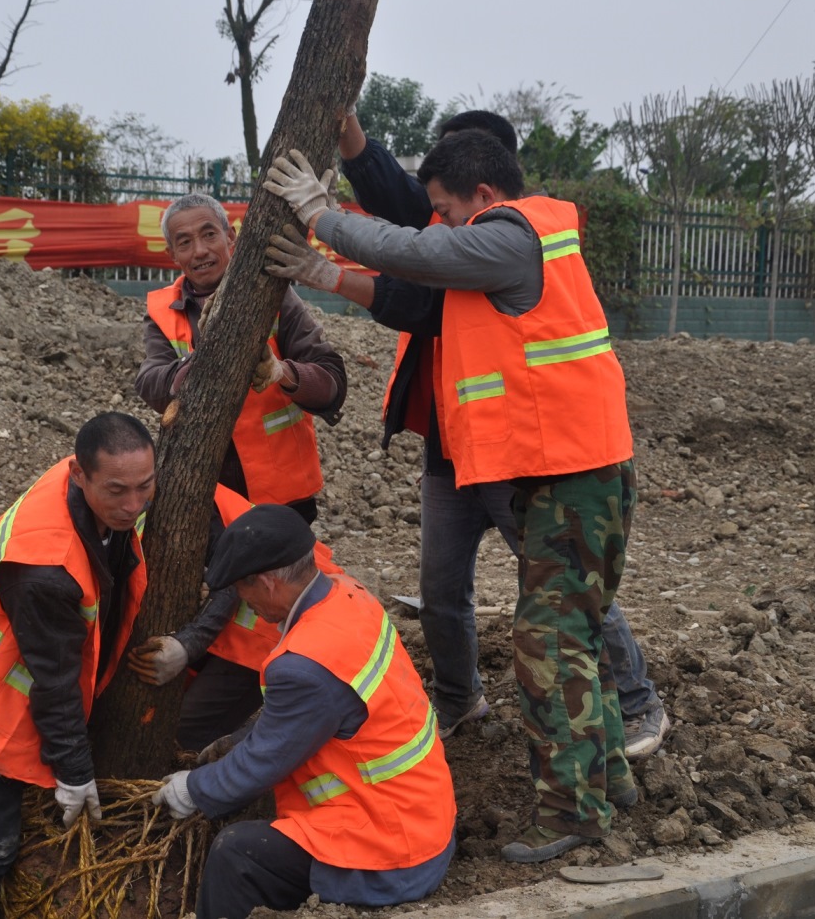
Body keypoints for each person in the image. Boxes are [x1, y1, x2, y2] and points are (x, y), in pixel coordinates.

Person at [263, 130, 637, 863]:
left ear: (485, 199)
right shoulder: (506, 248)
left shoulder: (510, 238)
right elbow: (414, 290)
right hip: (566, 471)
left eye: (443, 207)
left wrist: (322, 214)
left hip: (574, 476)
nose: (435, 220)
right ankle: (608, 779)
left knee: (549, 646)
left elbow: (414, 253)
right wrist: (329, 269)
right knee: (572, 640)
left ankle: (572, 816)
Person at [150, 505, 456, 919]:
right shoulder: (349, 596)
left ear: (268, 583)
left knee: (237, 853)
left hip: (390, 854)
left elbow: (265, 761)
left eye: (243, 589)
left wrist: (192, 790)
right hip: (423, 818)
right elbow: (318, 716)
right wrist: (237, 741)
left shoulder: (305, 665)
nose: (242, 602)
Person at [0, 413, 155, 919]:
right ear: (80, 474)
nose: (133, 505)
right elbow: (54, 681)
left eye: (145, 486)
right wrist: (75, 773)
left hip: (28, 672)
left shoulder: (101, 487)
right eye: (118, 491)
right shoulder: (43, 568)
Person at [134, 192, 347, 525]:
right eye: (185, 242)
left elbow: (332, 382)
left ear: (230, 236)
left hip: (282, 496)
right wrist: (200, 363)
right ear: (172, 254)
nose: (200, 250)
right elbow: (149, 383)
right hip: (203, 495)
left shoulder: (274, 294)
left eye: (208, 234)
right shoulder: (162, 311)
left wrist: (282, 372)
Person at [125, 483, 345, 753]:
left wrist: (187, 645)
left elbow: (233, 572)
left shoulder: (179, 495)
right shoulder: (138, 485)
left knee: (183, 735)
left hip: (269, 631)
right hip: (256, 617)